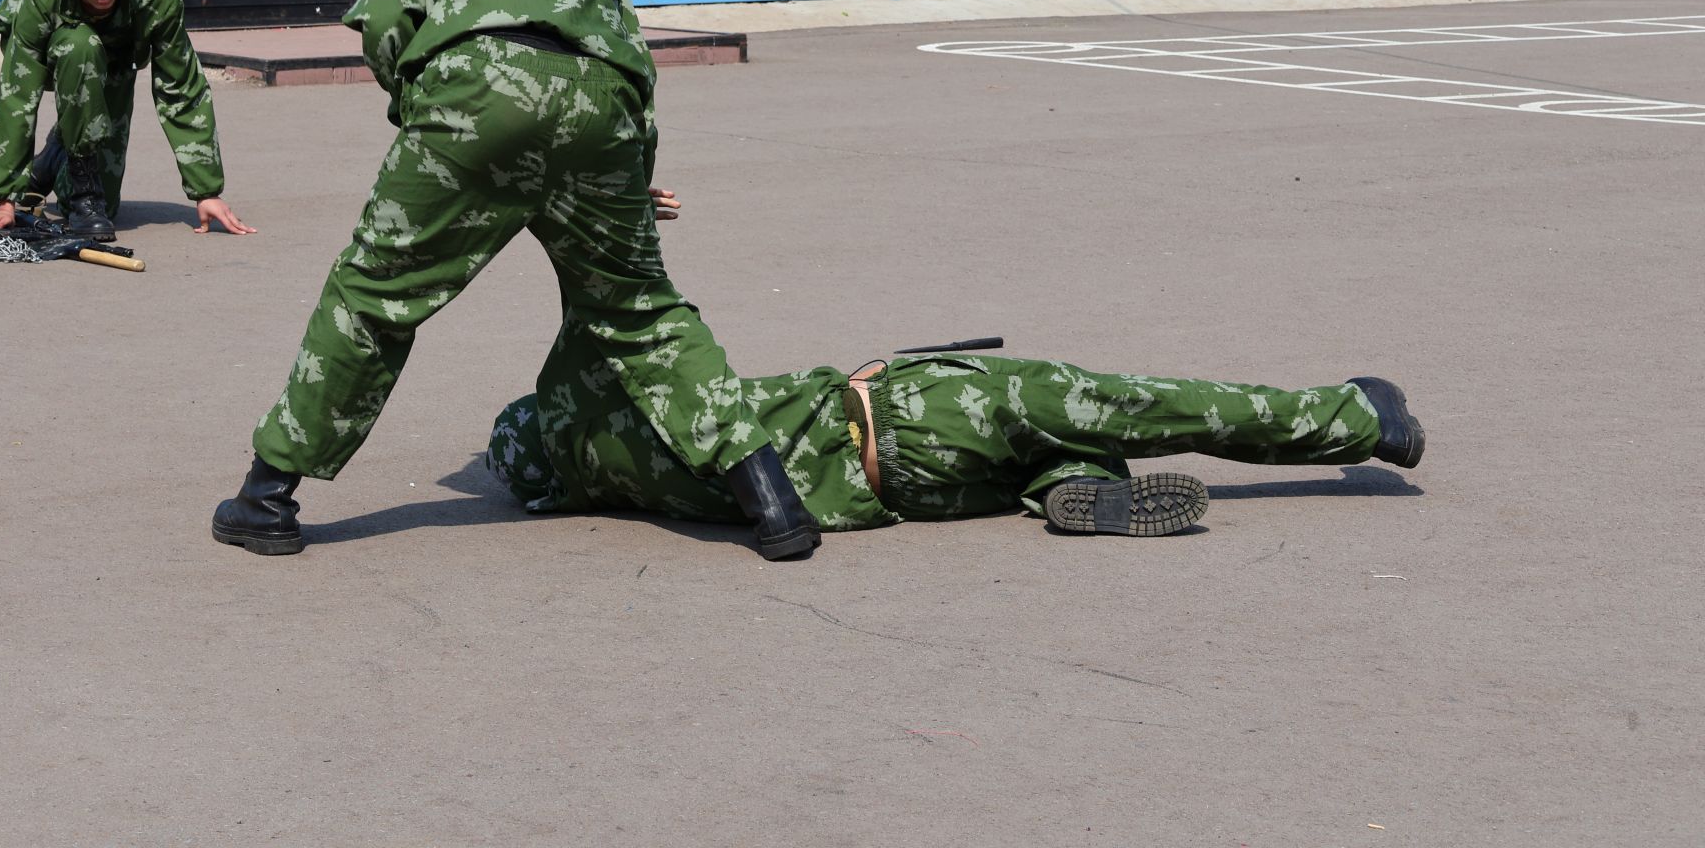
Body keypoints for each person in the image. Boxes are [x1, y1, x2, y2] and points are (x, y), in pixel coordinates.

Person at [212, 0, 819, 560]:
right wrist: (629, 180)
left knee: (373, 294)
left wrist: (426, 117)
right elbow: (631, 60)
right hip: (603, 107)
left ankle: (266, 497)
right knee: (640, 310)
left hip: (477, 90)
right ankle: (773, 498)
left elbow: (384, 22)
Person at [486, 334, 1426, 541]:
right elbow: (604, 303)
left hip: (905, 494)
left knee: (1068, 448)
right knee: (1141, 404)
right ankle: (1353, 418)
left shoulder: (624, 488)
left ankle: (1064, 488)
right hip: (906, 411)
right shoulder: (648, 399)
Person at [0, 0, 253, 243]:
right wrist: (6, 200)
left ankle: (56, 153)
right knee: (80, 47)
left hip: (118, 60)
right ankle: (82, 186)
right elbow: (17, 99)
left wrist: (206, 191)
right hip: (60, 57)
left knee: (109, 206)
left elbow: (181, 88)